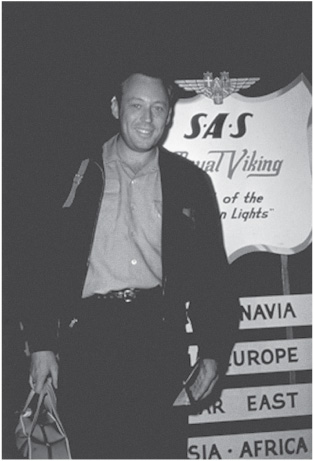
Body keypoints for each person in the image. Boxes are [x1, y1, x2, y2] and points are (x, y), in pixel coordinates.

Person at [26, 69, 240, 459]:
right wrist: (41, 343)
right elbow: (41, 263)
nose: (147, 118)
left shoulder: (189, 182)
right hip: (87, 342)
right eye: (136, 106)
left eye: (158, 108)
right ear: (115, 107)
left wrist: (213, 349)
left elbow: (213, 277)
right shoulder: (76, 172)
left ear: (170, 114)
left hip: (159, 343)